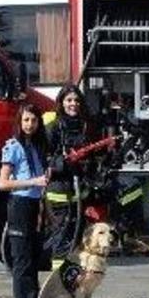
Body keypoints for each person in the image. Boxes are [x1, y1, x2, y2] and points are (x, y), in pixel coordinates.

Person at [0, 104, 51, 298]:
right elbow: (3, 183)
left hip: (34, 205)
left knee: (33, 258)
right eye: (26, 120)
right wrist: (33, 182)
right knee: (22, 260)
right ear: (20, 122)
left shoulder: (36, 147)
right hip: (19, 205)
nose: (30, 125)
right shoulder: (13, 147)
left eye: (34, 121)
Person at [44, 84, 101, 272]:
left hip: (79, 191)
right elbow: (44, 157)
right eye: (69, 100)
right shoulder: (53, 127)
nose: (73, 104)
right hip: (59, 191)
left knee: (76, 238)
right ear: (61, 102)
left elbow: (93, 157)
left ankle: (72, 275)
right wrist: (62, 162)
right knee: (61, 236)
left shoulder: (86, 127)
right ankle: (58, 276)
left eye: (76, 100)